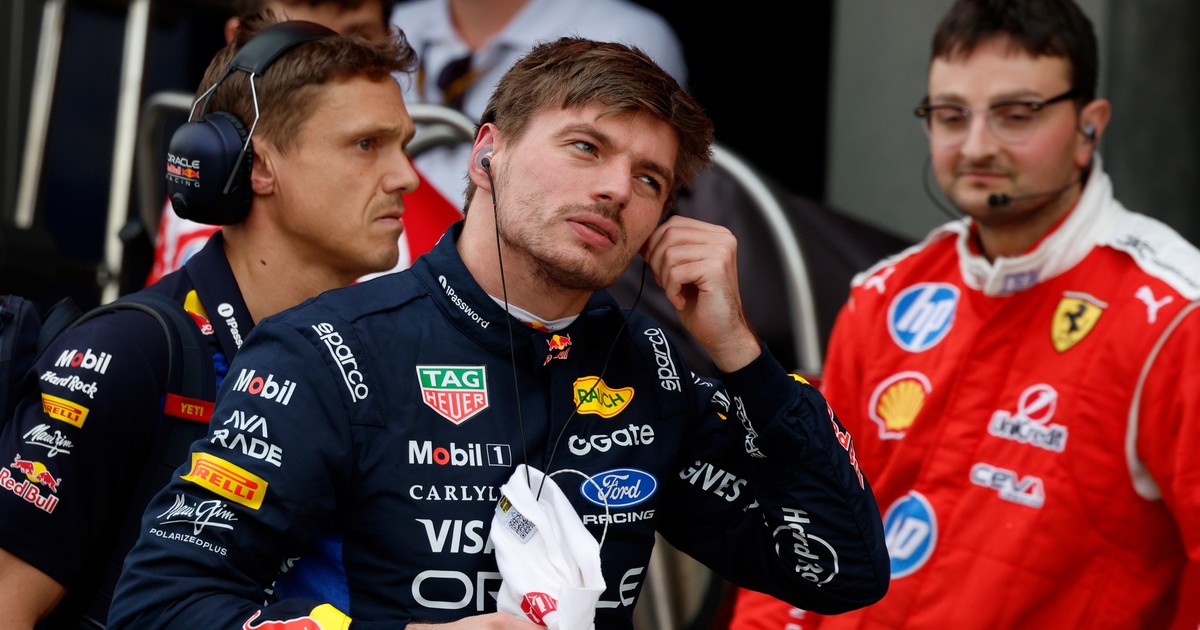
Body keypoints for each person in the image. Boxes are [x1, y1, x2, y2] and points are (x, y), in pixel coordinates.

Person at [108, 36, 890, 628]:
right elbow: (160, 602)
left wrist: (743, 357)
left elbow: (840, 570)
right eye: (586, 147)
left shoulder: (649, 369)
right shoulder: (328, 353)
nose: (616, 188)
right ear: (487, 155)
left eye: (650, 179)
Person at [728, 0, 1200, 628]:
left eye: (1016, 115)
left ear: (1090, 127)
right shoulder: (886, 295)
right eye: (951, 116)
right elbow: (803, 516)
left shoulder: (1175, 315)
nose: (977, 146)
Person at [0, 12, 420, 629]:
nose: (406, 176)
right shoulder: (130, 354)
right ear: (259, 166)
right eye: (366, 145)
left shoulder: (386, 358)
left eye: (404, 145)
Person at [144, 0, 460, 286]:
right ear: (258, 164)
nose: (336, 64)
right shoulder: (203, 205)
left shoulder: (443, 245)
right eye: (296, 43)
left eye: (358, 39)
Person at [390, 0, 686, 205]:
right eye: (585, 147)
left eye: (585, 146)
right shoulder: (389, 24)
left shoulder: (624, 32)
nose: (620, 190)